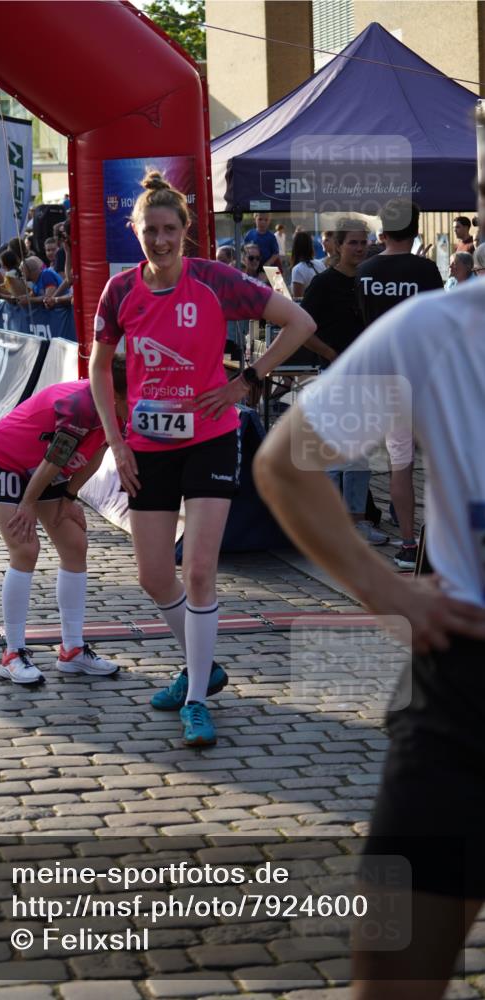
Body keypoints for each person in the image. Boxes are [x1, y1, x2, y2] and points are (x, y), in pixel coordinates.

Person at [253, 274, 485, 1000]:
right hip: (465, 691)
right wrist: (387, 591)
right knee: (390, 971)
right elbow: (285, 462)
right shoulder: (436, 329)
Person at [89, 170, 316, 748]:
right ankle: (202, 666)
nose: (160, 240)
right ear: (135, 231)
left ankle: (195, 700)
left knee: (198, 570)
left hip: (211, 437)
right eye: (150, 230)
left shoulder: (214, 279)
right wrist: (116, 441)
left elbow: (300, 322)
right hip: (147, 446)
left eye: (170, 229)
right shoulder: (120, 291)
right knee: (152, 574)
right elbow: (98, 366)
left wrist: (246, 381)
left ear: (185, 230)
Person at [0, 359, 129, 685]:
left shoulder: (118, 407)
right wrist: (28, 504)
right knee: (25, 549)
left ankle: (72, 650)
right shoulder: (81, 407)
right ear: (116, 396)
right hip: (6, 460)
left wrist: (69, 497)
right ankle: (12, 653)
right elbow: (54, 459)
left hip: (46, 468)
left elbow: (97, 453)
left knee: (75, 545)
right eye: (135, 398)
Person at [357, 200, 445, 569]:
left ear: (384, 230)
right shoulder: (426, 270)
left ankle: (408, 544)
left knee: (400, 463)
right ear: (415, 229)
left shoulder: (365, 271)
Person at [300, 218, 388, 545]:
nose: (360, 248)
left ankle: (357, 521)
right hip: (336, 378)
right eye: (353, 242)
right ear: (337, 245)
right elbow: (301, 327)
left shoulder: (371, 281)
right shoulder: (323, 284)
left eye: (363, 242)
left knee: (360, 455)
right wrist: (329, 353)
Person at [290, 230, 326, 299]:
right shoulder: (321, 264)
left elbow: (298, 299)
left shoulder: (297, 269)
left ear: (295, 248)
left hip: (309, 305)